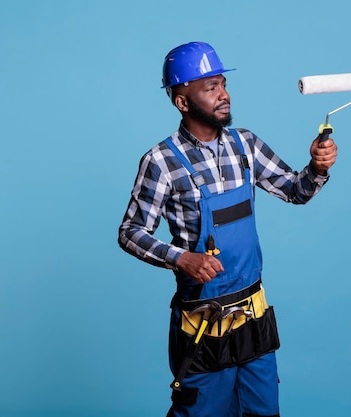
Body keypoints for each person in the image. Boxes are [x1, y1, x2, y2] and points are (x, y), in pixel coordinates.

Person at [117, 41, 338, 417]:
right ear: (182, 102)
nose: (223, 95)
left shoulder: (245, 145)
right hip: (202, 326)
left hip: (253, 319)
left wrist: (317, 168)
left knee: (263, 412)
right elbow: (131, 231)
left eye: (222, 84)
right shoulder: (161, 161)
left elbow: (295, 191)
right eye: (210, 88)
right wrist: (181, 258)